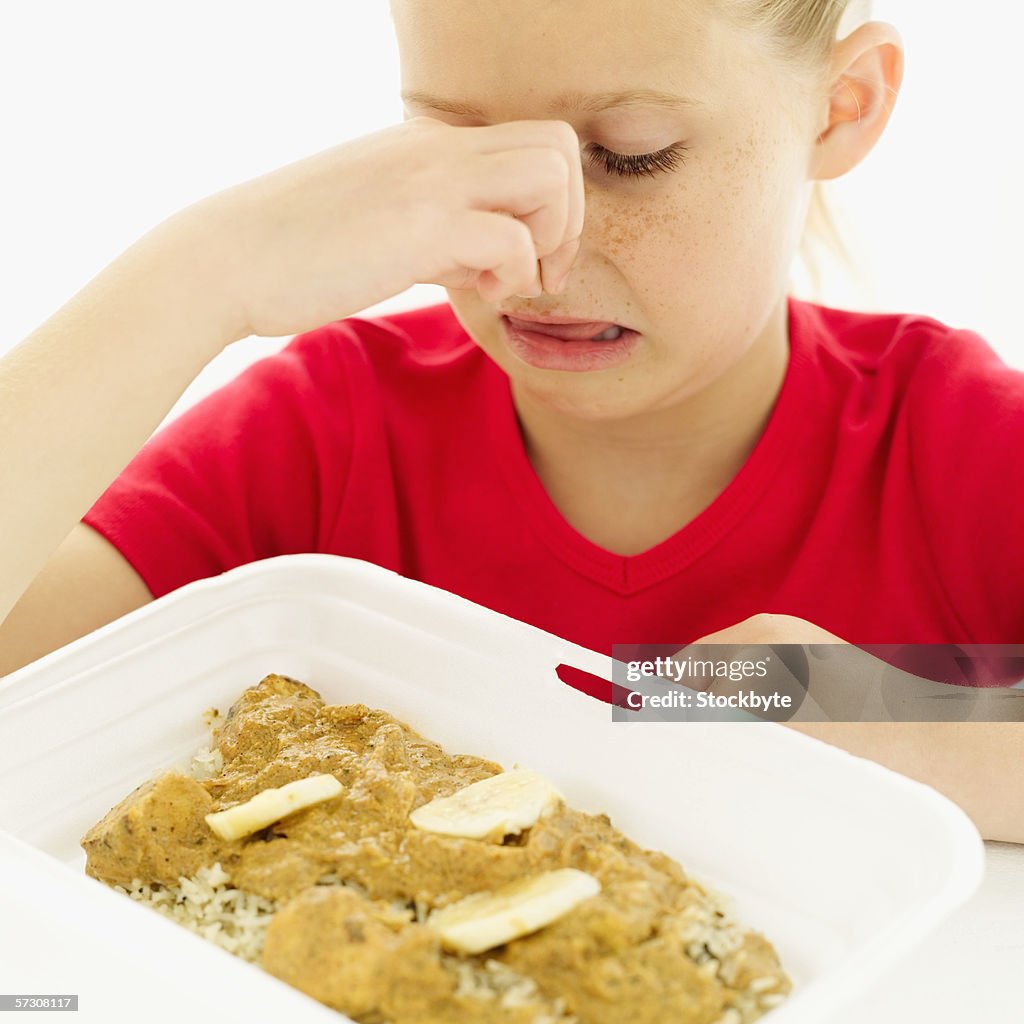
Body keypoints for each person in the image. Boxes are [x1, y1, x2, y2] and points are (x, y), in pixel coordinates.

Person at [1, 0, 1022, 839]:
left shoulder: (955, 444)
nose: (535, 256)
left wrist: (921, 733)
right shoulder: (326, 431)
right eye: (464, 154)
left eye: (630, 156)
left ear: (840, 107)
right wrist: (197, 275)